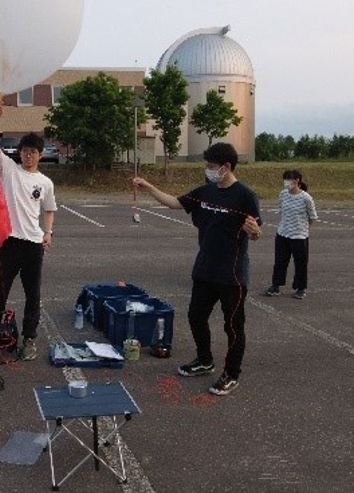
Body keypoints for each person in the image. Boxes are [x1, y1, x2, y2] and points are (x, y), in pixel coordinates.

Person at [132, 143, 262, 396]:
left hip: (232, 274)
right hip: (205, 269)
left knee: (233, 326)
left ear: (226, 167)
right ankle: (205, 360)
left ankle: (231, 373)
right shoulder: (206, 191)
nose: (208, 171)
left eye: (212, 167)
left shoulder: (245, 196)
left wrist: (255, 232)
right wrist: (148, 187)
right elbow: (174, 203)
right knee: (195, 316)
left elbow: (256, 230)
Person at [0, 102, 57, 361]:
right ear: (20, 153)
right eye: (25, 151)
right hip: (7, 241)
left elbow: (49, 209)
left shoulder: (45, 182)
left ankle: (29, 339)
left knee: (32, 295)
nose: (28, 155)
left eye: (33, 152)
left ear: (40, 154)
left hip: (33, 245)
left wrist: (48, 233)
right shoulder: (9, 169)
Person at [264, 169, 318, 300]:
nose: (286, 182)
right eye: (285, 179)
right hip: (283, 233)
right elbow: (282, 210)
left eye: (289, 179)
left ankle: (300, 288)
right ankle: (276, 286)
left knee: (300, 263)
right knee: (280, 261)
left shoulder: (306, 198)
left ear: (297, 181)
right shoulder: (283, 194)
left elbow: (312, 217)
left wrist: (301, 228)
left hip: (299, 236)